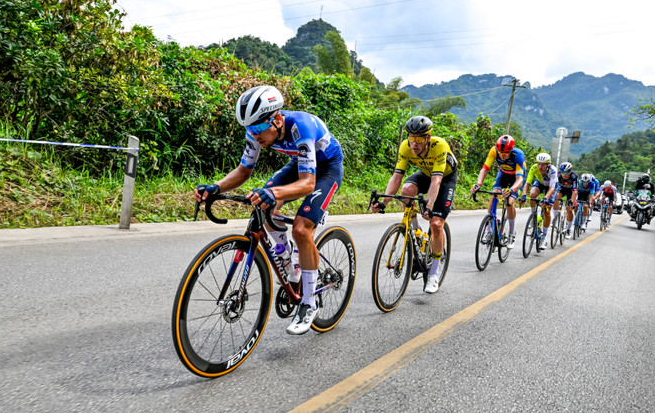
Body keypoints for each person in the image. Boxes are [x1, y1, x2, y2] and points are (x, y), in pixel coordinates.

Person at [194, 85, 344, 335]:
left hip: (327, 167)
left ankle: (309, 302)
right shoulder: (257, 131)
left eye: (258, 129)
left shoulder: (301, 127)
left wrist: (274, 193)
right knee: (262, 206)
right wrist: (215, 187)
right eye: (249, 130)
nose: (254, 135)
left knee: (301, 228)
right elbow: (244, 171)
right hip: (299, 163)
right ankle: (289, 261)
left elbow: (308, 183)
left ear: (276, 119)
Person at [370, 116, 458, 294]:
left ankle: (433, 273)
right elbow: (396, 177)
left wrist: (429, 206)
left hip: (445, 178)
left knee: (435, 224)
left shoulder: (439, 146)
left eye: (419, 140)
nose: (414, 144)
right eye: (411, 139)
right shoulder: (405, 146)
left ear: (428, 138)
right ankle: (416, 230)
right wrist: (384, 202)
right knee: (406, 190)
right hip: (425, 173)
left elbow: (437, 181)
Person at [471, 135, 525, 249]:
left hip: (515, 178)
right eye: (500, 153)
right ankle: (490, 230)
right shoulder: (494, 151)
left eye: (505, 154)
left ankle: (511, 234)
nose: (502, 156)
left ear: (510, 151)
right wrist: (478, 184)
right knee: (494, 194)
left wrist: (511, 190)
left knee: (509, 202)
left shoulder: (518, 155)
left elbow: (520, 179)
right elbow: (485, 169)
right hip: (503, 175)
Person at [519, 153, 557, 249]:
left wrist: (546, 198)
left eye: (543, 164)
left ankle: (544, 238)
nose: (540, 167)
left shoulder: (553, 170)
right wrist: (523, 195)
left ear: (548, 164)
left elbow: (552, 188)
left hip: (551, 187)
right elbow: (527, 183)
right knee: (532, 195)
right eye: (539, 164)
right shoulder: (534, 168)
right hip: (540, 183)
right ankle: (533, 214)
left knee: (547, 209)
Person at [554, 162, 578, 239]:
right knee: (556, 198)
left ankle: (568, 229)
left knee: (569, 209)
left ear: (570, 171)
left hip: (571, 191)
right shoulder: (558, 175)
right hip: (563, 189)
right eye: (562, 172)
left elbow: (575, 191)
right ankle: (555, 218)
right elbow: (554, 186)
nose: (564, 174)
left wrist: (572, 202)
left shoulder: (574, 176)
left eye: (566, 172)